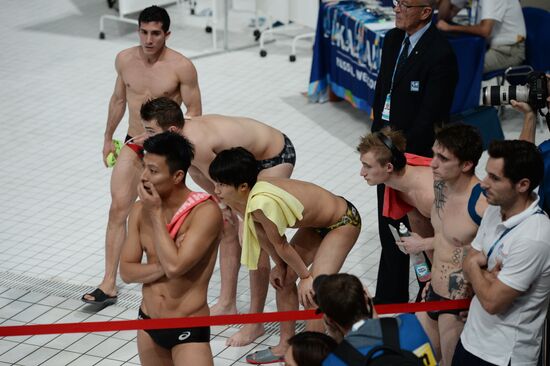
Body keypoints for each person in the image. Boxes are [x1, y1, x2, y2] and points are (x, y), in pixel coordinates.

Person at [140, 96, 296, 347]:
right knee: (227, 226)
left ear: (170, 129)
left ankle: (255, 323)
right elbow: (202, 176)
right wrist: (223, 207)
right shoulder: (180, 137)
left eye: (149, 131)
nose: (145, 137)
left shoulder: (196, 143)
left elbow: (222, 180)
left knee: (254, 238)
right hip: (239, 164)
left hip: (273, 157)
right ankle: (227, 302)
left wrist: (228, 207)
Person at [82, 5, 202, 306]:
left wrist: (175, 147)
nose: (149, 39)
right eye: (144, 32)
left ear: (167, 34)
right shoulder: (124, 59)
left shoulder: (181, 66)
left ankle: (171, 271)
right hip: (134, 141)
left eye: (156, 34)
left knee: (163, 211)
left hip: (166, 149)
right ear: (138, 30)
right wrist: (108, 137)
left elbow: (195, 112)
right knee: (117, 209)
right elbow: (119, 99)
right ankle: (109, 283)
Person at [208, 147, 361, 364]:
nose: (216, 190)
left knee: (312, 292)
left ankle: (312, 357)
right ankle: (285, 345)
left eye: (221, 184)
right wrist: (280, 266)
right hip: (317, 225)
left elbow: (281, 243)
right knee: (283, 280)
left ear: (243, 186)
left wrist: (306, 276)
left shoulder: (261, 202)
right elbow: (266, 239)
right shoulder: (241, 200)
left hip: (343, 221)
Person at [371, 0, 458, 304]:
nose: (397, 9)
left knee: (416, 234)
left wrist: (396, 155)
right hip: (386, 153)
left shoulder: (440, 54)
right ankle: (390, 301)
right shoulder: (393, 39)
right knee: (390, 231)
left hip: (413, 159)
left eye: (405, 5)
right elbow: (382, 90)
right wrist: (376, 141)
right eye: (396, 2)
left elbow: (430, 117)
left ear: (425, 12)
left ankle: (432, 294)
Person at [119, 132, 222, 366]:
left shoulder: (204, 213)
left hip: (188, 326)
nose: (144, 177)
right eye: (144, 167)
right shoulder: (138, 211)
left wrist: (155, 214)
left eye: (153, 171)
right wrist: (169, 262)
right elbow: (126, 272)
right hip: (148, 322)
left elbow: (175, 268)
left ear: (177, 176)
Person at [453, 139, 550, 366]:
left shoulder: (534, 237)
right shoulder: (495, 211)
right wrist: (482, 273)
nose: (484, 183)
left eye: (495, 178)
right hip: (470, 340)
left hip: (503, 356)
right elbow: (469, 263)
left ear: (522, 185)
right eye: (487, 174)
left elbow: (492, 302)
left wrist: (476, 267)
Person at [401, 124, 487, 366]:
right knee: (411, 358)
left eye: (443, 158)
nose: (432, 163)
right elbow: (448, 238)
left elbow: (497, 259)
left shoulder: (482, 204)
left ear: (467, 164)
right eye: (434, 154)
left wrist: (479, 303)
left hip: (459, 304)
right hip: (433, 293)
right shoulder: (440, 187)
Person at [315, 273, 437, 366]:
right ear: (367, 299)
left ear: (329, 321)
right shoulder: (409, 323)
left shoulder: (334, 361)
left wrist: (338, 342)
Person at [436, 0, 526, 72]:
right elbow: (444, 16)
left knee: (462, 67)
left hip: (508, 51)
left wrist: (450, 28)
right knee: (449, 59)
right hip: (488, 46)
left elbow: (485, 30)